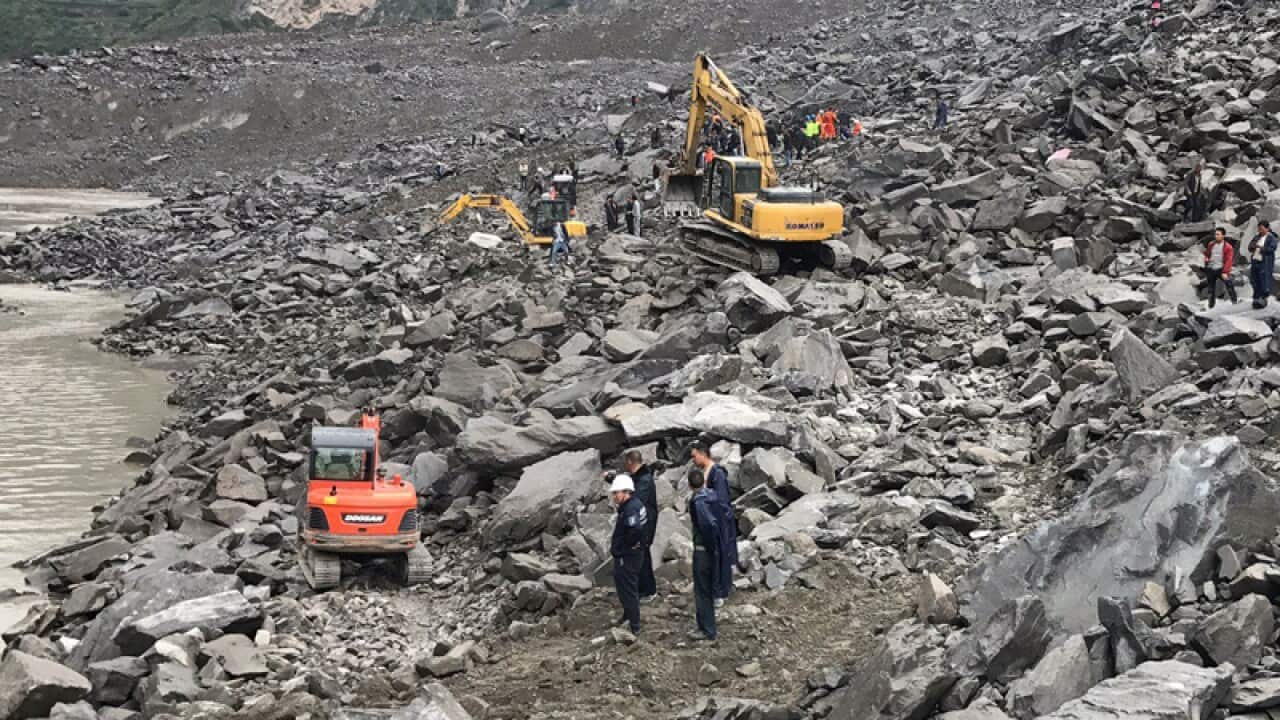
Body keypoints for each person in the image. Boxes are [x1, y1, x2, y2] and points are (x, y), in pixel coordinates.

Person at [690, 441, 736, 607]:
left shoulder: (717, 473)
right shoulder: (708, 472)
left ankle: (721, 591)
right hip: (714, 522)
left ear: (703, 453)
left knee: (720, 555)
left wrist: (717, 524)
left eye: (694, 456)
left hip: (719, 523)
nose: (693, 460)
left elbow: (722, 503)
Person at [609, 474, 648, 634]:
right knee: (624, 587)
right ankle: (628, 615)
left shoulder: (631, 509)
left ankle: (635, 626)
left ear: (626, 492)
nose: (614, 496)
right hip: (631, 554)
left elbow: (635, 529)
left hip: (628, 556)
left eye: (616, 493)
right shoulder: (635, 504)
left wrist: (627, 545)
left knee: (628, 590)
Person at [686, 466, 719, 642]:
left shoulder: (697, 502)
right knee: (708, 589)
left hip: (702, 551)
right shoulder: (712, 496)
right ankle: (707, 625)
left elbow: (706, 526)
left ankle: (707, 629)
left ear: (690, 485)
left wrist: (707, 544)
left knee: (702, 591)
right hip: (713, 550)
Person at [623, 451, 660, 603]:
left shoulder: (644, 480)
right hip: (643, 523)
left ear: (631, 462)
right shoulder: (640, 477)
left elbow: (637, 501)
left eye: (626, 462)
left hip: (645, 524)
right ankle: (643, 589)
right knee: (642, 555)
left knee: (642, 556)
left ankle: (647, 591)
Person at [1203, 228, 1238, 308]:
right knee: (1211, 289)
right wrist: (1206, 261)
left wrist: (1225, 272)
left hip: (1221, 269)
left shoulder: (1228, 247)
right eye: (1215, 234)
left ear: (1223, 235)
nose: (1216, 236)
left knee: (1229, 285)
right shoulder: (1211, 244)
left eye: (1218, 234)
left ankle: (1235, 302)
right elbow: (1207, 254)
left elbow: (1229, 260)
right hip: (1211, 268)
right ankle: (1211, 306)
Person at [1248, 221, 1278, 308]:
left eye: (1261, 228)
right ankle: (1256, 298)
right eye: (1259, 229)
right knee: (1254, 279)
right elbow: (1250, 246)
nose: (1260, 230)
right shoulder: (1257, 237)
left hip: (1265, 262)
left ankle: (1262, 299)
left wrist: (1261, 248)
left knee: (1263, 280)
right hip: (1255, 261)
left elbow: (1272, 248)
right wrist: (1254, 247)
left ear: (1267, 228)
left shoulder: (1271, 238)